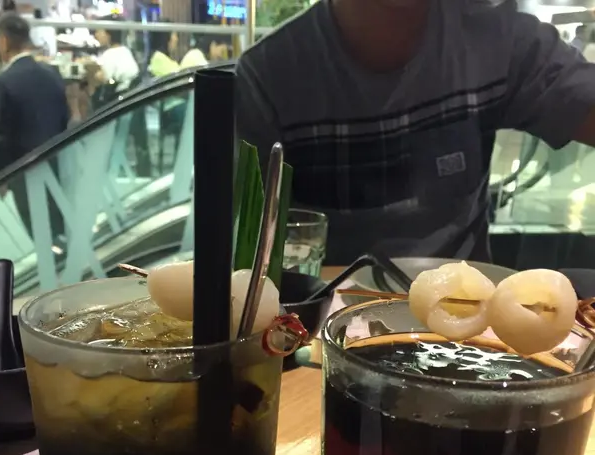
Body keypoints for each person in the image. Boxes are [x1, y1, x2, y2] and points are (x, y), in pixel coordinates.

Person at [236, 0, 595, 266]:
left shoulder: (498, 38)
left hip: (466, 321)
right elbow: (244, 258)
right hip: (325, 326)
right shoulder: (267, 78)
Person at [0, 13, 69, 241]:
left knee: (37, 231)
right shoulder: (52, 74)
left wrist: (0, 177)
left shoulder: (4, 82)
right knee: (57, 228)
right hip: (57, 164)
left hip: (22, 170)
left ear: (3, 41)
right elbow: (63, 118)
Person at [94, 16, 140, 93]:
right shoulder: (125, 50)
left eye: (98, 31)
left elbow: (106, 79)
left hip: (121, 94)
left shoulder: (110, 54)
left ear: (109, 34)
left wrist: (97, 75)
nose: (96, 35)